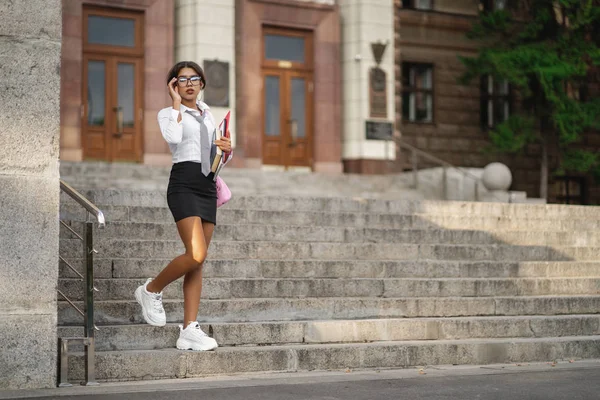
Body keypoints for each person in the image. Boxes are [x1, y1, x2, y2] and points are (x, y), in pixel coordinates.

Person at [134, 61, 232, 351]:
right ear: (174, 85)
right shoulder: (168, 113)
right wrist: (176, 104)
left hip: (207, 185)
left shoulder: (208, 114)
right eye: (182, 79)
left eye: (194, 78)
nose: (189, 83)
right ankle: (150, 289)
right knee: (196, 252)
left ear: (202, 83)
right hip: (183, 185)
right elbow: (174, 139)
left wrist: (226, 150)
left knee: (198, 261)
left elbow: (213, 155)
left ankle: (189, 329)